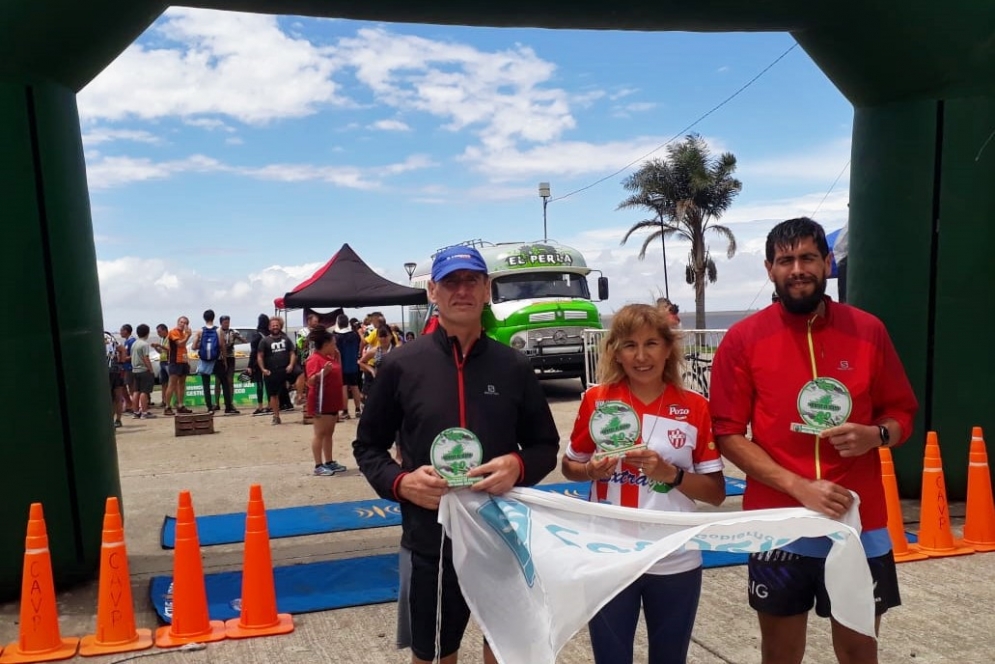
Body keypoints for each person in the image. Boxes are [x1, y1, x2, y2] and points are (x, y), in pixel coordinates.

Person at [709, 217, 918, 664]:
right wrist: (798, 487)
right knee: (782, 653)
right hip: (780, 526)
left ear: (827, 262)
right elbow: (727, 433)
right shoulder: (743, 340)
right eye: (786, 260)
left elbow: (903, 416)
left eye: (807, 257)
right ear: (769, 269)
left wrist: (875, 436)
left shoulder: (868, 330)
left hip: (860, 522)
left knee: (860, 649)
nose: (797, 269)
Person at [353, 245, 560, 664]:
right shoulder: (401, 365)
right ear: (433, 290)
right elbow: (367, 446)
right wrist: (401, 483)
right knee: (433, 655)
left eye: (471, 281)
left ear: (487, 290)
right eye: (451, 282)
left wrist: (517, 465)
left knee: (503, 651)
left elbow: (545, 447)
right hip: (432, 538)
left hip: (501, 536)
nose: (461, 290)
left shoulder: (514, 366)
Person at [561, 303, 725, 664]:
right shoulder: (596, 400)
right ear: (616, 353)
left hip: (673, 559)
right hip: (606, 556)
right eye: (629, 345)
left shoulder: (695, 406)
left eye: (651, 343)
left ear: (668, 349)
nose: (641, 356)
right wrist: (591, 472)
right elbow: (570, 465)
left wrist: (672, 474)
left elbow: (715, 493)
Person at [305, 327, 348, 476]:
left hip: (331, 400)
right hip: (320, 400)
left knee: (329, 432)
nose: (335, 346)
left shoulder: (331, 358)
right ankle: (318, 464)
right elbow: (310, 380)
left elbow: (339, 371)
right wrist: (323, 373)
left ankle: (329, 461)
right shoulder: (314, 359)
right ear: (326, 344)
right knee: (320, 433)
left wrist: (338, 357)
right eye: (333, 344)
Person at [257, 316, 296, 425]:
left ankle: (300, 398)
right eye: (273, 325)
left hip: (286, 369)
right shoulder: (264, 341)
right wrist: (263, 369)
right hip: (271, 371)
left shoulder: (286, 339)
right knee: (273, 395)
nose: (275, 327)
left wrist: (291, 365)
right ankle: (276, 416)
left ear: (280, 327)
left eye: (277, 325)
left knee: (300, 375)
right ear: (269, 327)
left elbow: (292, 353)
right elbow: (260, 356)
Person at [190, 309, 225, 414]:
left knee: (206, 384)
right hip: (217, 360)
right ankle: (225, 405)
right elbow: (221, 345)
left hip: (204, 360)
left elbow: (193, 346)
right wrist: (224, 359)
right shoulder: (219, 330)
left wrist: (202, 345)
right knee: (223, 382)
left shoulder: (200, 331)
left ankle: (209, 407)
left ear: (204, 318)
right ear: (213, 318)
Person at [332, 313, 363, 420]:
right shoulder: (354, 335)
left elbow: (335, 351)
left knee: (343, 387)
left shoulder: (336, 336)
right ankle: (358, 409)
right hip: (353, 364)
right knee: (355, 386)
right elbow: (360, 345)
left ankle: (345, 411)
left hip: (342, 365)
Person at [218, 315, 246, 415]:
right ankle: (216, 403)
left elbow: (245, 340)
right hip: (220, 358)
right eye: (225, 322)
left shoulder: (233, 332)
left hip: (230, 358)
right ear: (221, 323)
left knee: (230, 381)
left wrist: (237, 337)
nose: (227, 324)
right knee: (218, 381)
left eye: (228, 322)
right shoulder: (218, 332)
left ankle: (230, 403)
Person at [165, 316, 192, 416]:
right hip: (174, 361)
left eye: (185, 323)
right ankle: (167, 406)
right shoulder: (173, 332)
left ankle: (180, 405)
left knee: (182, 384)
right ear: (178, 322)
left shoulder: (183, 333)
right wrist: (188, 336)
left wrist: (187, 361)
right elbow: (180, 344)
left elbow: (184, 348)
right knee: (172, 384)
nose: (183, 324)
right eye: (181, 322)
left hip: (183, 360)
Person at [129, 324, 156, 420]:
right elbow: (146, 358)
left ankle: (136, 412)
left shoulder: (134, 343)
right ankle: (144, 412)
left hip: (135, 370)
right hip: (143, 370)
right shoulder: (144, 344)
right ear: (147, 333)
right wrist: (151, 369)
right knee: (144, 391)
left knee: (136, 391)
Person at [248, 314, 270, 416]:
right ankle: (270, 405)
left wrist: (250, 365)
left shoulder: (257, 335)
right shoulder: (270, 334)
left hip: (258, 363)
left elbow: (253, 352)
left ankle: (260, 406)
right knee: (269, 384)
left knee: (260, 385)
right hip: (270, 362)